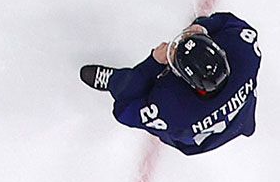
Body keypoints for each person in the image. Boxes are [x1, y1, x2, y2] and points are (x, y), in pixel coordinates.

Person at [82, 15, 261, 155]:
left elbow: (125, 111)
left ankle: (115, 81)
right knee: (243, 119)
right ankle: (245, 125)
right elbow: (231, 23)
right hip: (240, 114)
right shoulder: (245, 53)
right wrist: (202, 27)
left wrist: (153, 63)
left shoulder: (172, 109)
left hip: (192, 134)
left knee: (132, 88)